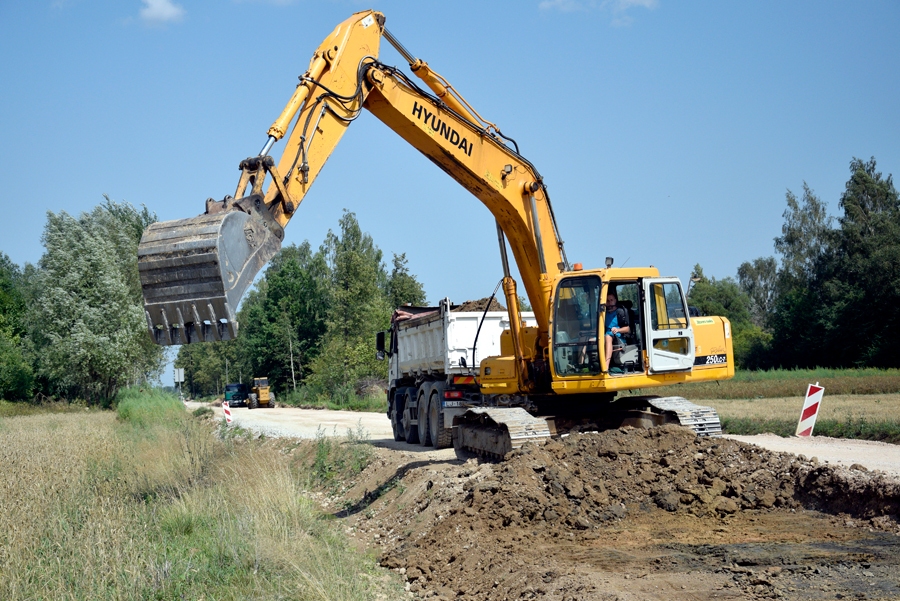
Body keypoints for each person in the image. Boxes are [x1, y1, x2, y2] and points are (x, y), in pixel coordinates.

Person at [604, 291, 630, 372]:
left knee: (608, 337)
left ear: (615, 300)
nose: (610, 302)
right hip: (604, 334)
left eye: (611, 300)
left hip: (617, 336)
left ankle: (605, 366)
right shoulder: (604, 313)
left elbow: (627, 329)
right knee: (584, 338)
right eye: (608, 301)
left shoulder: (620, 312)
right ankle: (580, 365)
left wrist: (617, 329)